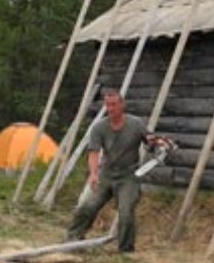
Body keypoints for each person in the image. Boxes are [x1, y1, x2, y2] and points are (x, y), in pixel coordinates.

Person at [67, 90, 166, 253]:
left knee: (126, 212)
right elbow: (93, 152)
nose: (110, 108)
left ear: (122, 105)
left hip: (128, 176)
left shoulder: (136, 124)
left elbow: (150, 141)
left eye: (113, 104)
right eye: (107, 105)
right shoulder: (99, 127)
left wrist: (156, 142)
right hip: (105, 174)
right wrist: (93, 173)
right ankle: (73, 240)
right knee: (87, 206)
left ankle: (125, 250)